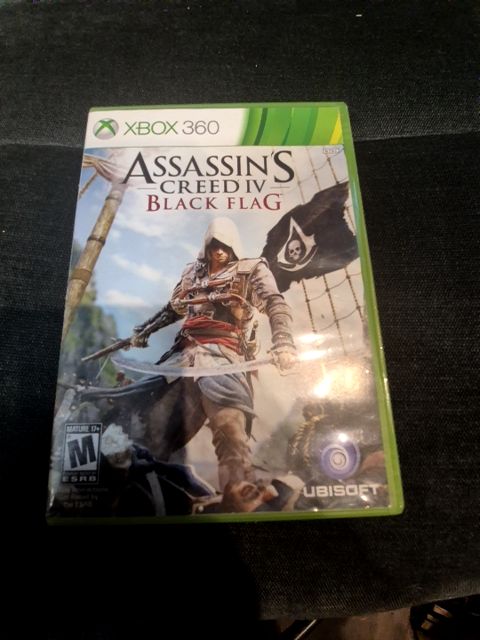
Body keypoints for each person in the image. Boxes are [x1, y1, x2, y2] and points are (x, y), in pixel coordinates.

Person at [85, 217, 296, 501]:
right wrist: (143, 331)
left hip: (225, 357)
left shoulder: (251, 269)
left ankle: (239, 496)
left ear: (233, 246)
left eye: (225, 245)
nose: (219, 251)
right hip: (183, 357)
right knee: (143, 422)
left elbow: (274, 302)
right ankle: (134, 493)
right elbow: (173, 309)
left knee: (230, 431)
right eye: (214, 245)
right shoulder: (192, 273)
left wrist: (283, 341)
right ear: (206, 245)